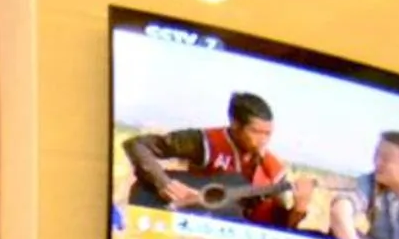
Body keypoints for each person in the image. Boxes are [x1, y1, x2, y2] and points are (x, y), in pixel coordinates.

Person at [122, 91, 301, 228]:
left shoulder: (274, 170)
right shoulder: (205, 141)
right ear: (235, 125)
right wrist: (163, 184)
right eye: (255, 132)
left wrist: (300, 209)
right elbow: (137, 145)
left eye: (268, 133)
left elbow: (282, 227)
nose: (263, 140)